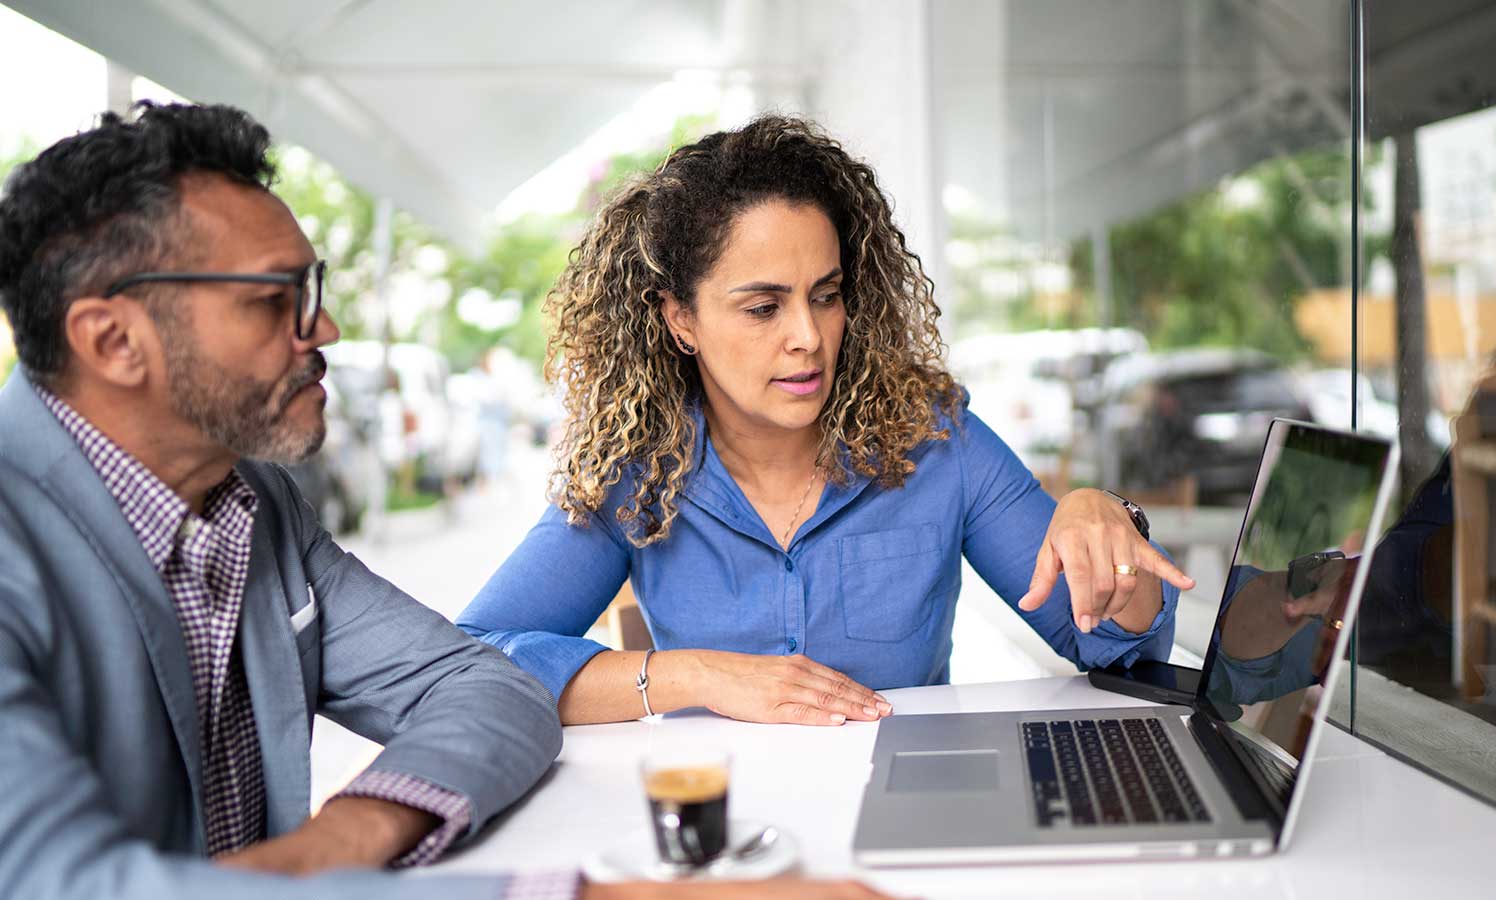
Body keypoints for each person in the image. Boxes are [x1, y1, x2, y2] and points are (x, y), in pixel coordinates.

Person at [0, 102, 892, 900]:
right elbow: (60, 883)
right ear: (112, 340)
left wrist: (337, 843)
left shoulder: (253, 506)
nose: (326, 330)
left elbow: (485, 687)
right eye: (276, 300)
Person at [458, 116, 1196, 727]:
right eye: (762, 306)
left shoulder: (937, 440)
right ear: (681, 319)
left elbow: (1111, 651)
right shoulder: (639, 471)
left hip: (912, 822)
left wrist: (1108, 531)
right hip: (729, 842)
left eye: (827, 294)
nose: (807, 337)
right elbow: (474, 660)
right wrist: (698, 676)